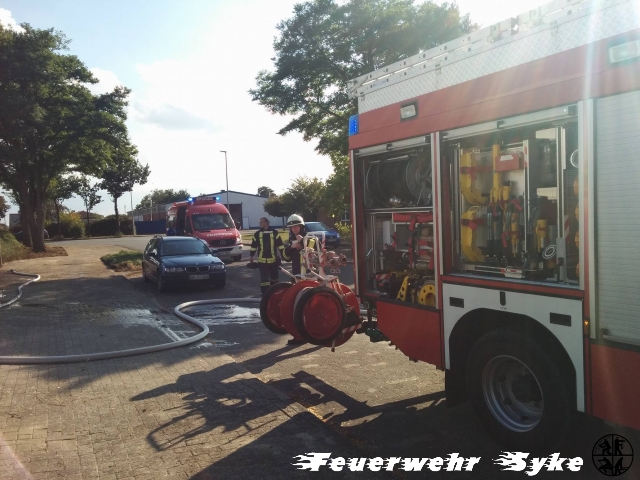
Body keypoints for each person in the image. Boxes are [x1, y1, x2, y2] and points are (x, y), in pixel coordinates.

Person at [249, 217, 285, 294]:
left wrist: (283, 255)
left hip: (273, 261)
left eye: (262, 222)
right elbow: (253, 246)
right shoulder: (257, 234)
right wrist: (251, 256)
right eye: (260, 222)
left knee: (274, 279)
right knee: (264, 280)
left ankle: (275, 294)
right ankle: (265, 295)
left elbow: (280, 245)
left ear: (266, 223)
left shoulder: (275, 232)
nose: (260, 223)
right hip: (262, 262)